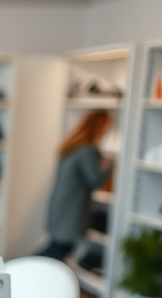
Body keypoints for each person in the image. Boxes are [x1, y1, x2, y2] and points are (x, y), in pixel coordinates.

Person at [38, 110, 114, 260]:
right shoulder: (88, 150)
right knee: (57, 252)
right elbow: (95, 180)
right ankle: (22, 272)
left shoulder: (72, 145)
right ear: (99, 127)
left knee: (55, 248)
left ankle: (24, 270)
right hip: (71, 210)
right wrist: (110, 164)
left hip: (60, 206)